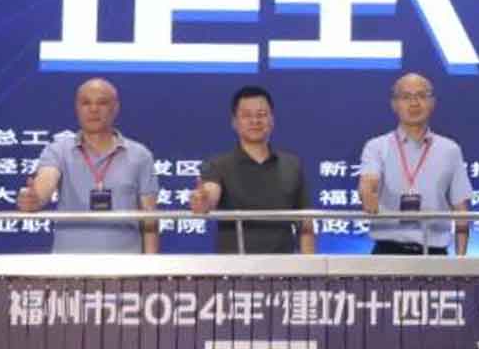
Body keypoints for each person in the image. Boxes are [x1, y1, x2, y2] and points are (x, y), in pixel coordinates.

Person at [16, 77, 160, 253]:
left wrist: (151, 265)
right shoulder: (58, 150)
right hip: (69, 265)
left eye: (102, 103)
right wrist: (35, 199)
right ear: (77, 108)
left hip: (125, 264)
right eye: (86, 103)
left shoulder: (140, 155)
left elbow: (149, 217)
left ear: (115, 108)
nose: (93, 109)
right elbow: (46, 179)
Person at [189, 85, 315, 255]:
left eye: (261, 114)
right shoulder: (218, 165)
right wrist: (203, 201)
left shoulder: (292, 165)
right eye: (247, 115)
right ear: (234, 122)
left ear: (272, 120)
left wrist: (309, 265)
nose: (255, 121)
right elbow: (210, 193)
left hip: (283, 265)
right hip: (234, 266)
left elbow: (306, 222)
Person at [358, 73, 472, 255]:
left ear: (432, 102)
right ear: (394, 104)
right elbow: (369, 181)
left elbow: (461, 209)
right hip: (387, 252)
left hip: (434, 253)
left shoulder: (450, 149)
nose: (414, 103)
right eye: (406, 97)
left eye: (421, 96)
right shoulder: (376, 147)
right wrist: (367, 192)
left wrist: (460, 261)